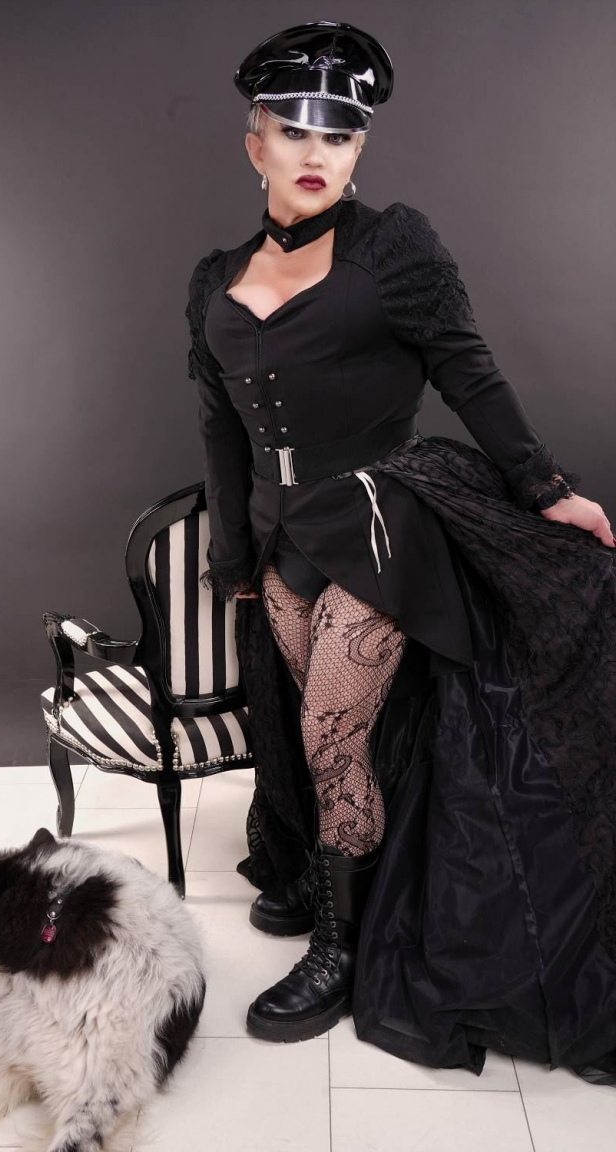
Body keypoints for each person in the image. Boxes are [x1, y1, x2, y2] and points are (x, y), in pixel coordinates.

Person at [185, 20, 616, 1082]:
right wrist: (234, 557)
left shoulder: (395, 248)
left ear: (361, 148)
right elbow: (220, 429)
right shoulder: (214, 279)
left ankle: (340, 949)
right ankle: (351, 882)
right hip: (283, 541)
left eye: (341, 134)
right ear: (254, 143)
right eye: (295, 130)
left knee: (331, 728)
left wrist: (548, 490)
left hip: (379, 527)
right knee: (328, 731)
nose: (317, 152)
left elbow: (469, 372)